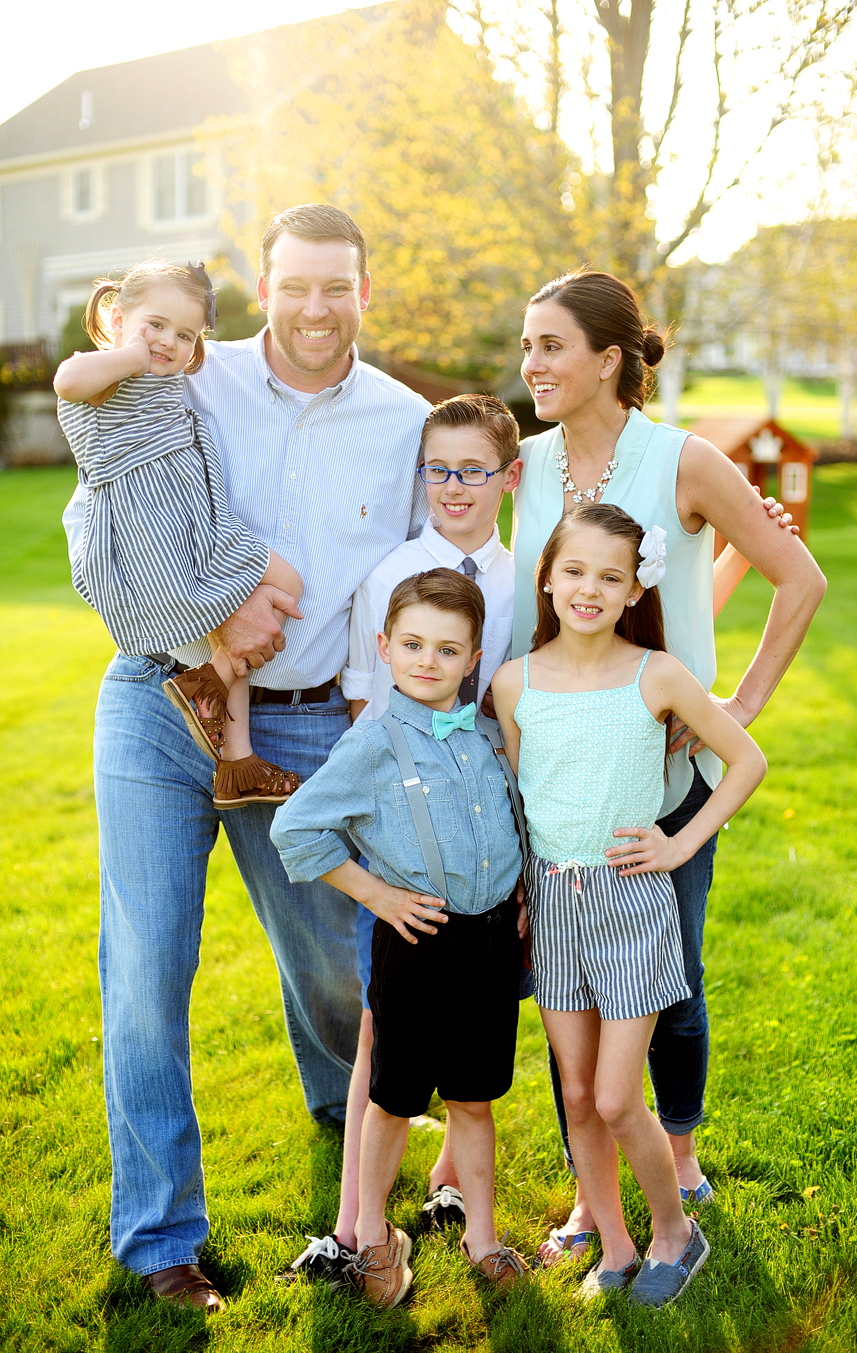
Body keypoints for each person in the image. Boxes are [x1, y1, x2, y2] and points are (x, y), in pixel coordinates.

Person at [60, 205, 430, 1310]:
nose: (315, 308)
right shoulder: (175, 370)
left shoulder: (403, 421)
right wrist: (203, 629)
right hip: (154, 699)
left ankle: (345, 1113)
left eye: (338, 286)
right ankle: (161, 1238)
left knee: (332, 962)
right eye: (295, 285)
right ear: (263, 289)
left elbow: (428, 573)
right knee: (144, 975)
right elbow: (107, 519)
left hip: (313, 722)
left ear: (367, 291)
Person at [512, 269, 826, 1263]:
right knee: (572, 1008)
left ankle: (679, 1160)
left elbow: (799, 578)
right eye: (527, 347)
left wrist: (737, 705)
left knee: (671, 982)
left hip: (667, 791)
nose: (533, 366)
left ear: (612, 358)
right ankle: (589, 1199)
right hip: (557, 792)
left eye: (552, 346)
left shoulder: (684, 461)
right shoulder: (517, 467)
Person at [492, 502, 766, 1306]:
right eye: (574, 570)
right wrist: (521, 889)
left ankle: (675, 1232)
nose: (589, 588)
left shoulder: (658, 675)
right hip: (552, 904)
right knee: (576, 1093)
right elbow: (521, 796)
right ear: (545, 578)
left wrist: (679, 846)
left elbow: (745, 760)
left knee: (616, 1096)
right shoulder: (516, 682)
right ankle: (613, 1245)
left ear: (630, 588)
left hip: (631, 904)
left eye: (609, 577)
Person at [281, 394, 522, 1287]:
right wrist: (377, 891)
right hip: (412, 931)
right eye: (411, 645)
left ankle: (481, 1233)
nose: (427, 659)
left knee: (475, 1092)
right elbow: (304, 822)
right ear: (390, 645)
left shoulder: (488, 725)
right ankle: (368, 1231)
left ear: (473, 658)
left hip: (491, 938)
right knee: (389, 1082)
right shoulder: (379, 717)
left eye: (446, 649)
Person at [54, 260, 303, 807]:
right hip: (154, 532)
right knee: (227, 609)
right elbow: (67, 381)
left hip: (195, 521)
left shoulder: (165, 382)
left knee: (286, 582)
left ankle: (236, 760)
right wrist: (129, 353)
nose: (168, 342)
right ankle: (220, 715)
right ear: (118, 317)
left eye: (185, 335)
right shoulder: (106, 378)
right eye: (155, 325)